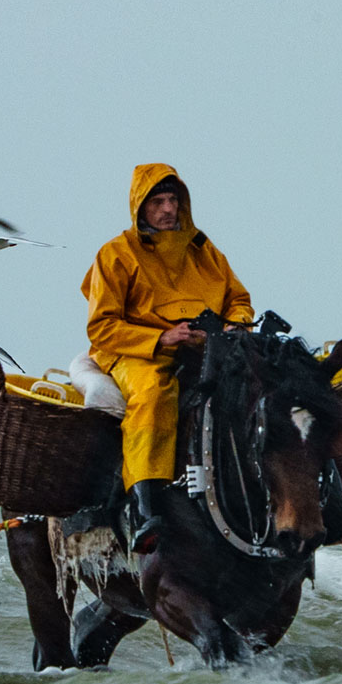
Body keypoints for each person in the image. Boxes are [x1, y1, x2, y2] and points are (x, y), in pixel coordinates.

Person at [81, 164, 254, 552]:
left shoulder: (205, 250)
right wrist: (161, 336)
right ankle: (146, 507)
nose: (167, 209)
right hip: (136, 351)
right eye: (157, 201)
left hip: (204, 346)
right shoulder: (115, 254)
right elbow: (102, 327)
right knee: (155, 394)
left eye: (173, 200)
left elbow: (239, 300)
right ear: (140, 207)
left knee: (263, 387)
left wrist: (234, 326)